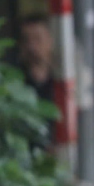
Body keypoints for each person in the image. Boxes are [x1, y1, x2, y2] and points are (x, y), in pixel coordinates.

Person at [15, 14, 58, 152]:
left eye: (38, 39)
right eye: (26, 40)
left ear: (50, 41)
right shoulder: (15, 84)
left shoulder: (61, 83)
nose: (32, 46)